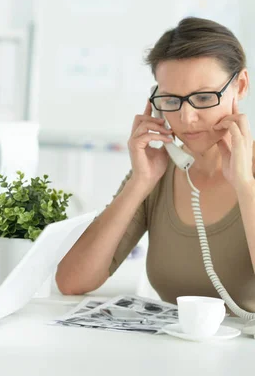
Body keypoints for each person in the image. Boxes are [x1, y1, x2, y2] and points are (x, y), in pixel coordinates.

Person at [56, 17, 255, 312]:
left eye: (203, 97)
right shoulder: (158, 174)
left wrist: (244, 184)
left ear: (239, 86)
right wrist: (140, 183)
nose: (186, 119)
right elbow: (72, 281)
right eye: (171, 100)